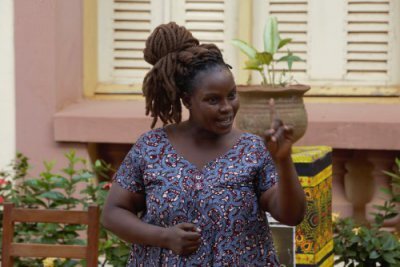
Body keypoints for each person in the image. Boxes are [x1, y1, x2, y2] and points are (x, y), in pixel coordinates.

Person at [101, 22, 306, 266]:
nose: (227, 108)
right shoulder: (151, 148)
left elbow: (292, 215)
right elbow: (113, 214)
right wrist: (164, 237)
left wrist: (283, 161)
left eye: (231, 95)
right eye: (213, 100)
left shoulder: (252, 149)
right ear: (187, 100)